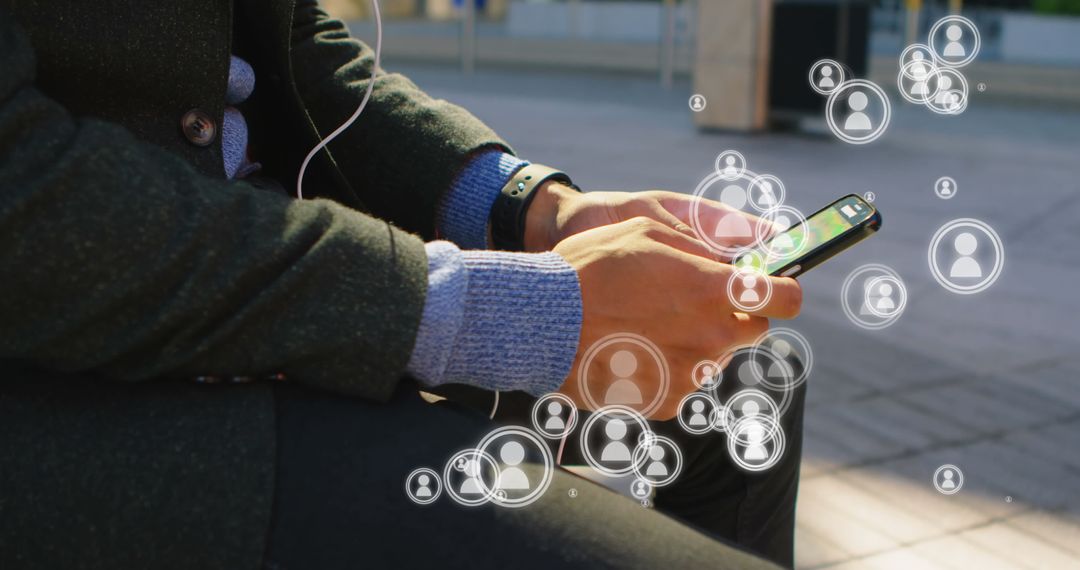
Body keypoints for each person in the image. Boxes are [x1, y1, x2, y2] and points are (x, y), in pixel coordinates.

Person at [0, 3, 804, 569]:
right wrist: (487, 310)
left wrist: (538, 209)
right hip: (90, 400)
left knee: (747, 381)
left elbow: (296, 52)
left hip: (290, 294)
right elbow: (24, 201)